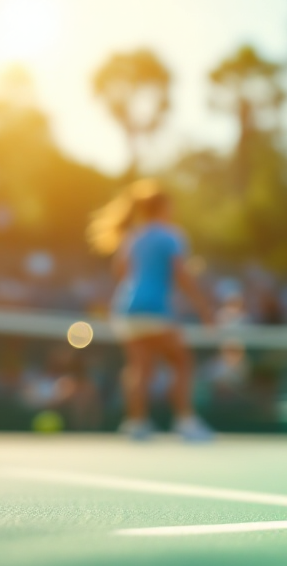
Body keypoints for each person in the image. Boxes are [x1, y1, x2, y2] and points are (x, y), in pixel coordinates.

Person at [88, 179, 214, 441]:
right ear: (164, 207)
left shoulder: (133, 237)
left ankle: (136, 423)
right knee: (181, 362)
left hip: (127, 308)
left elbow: (120, 271)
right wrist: (204, 308)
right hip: (155, 308)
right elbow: (181, 275)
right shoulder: (171, 235)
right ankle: (185, 421)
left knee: (140, 368)